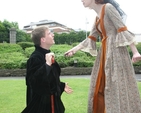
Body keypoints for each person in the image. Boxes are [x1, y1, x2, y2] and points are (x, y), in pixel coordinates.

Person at [65, 0, 141, 113]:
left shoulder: (108, 8)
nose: (81, 0)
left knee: (116, 84)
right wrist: (74, 49)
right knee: (101, 85)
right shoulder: (97, 17)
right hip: (105, 52)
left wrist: (135, 52)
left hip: (116, 52)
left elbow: (122, 28)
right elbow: (91, 37)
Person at [21, 26, 73, 113]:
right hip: (42, 107)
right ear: (43, 39)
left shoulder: (47, 54)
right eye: (49, 33)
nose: (53, 35)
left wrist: (61, 85)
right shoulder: (35, 58)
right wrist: (47, 65)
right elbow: (33, 82)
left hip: (51, 104)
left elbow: (49, 80)